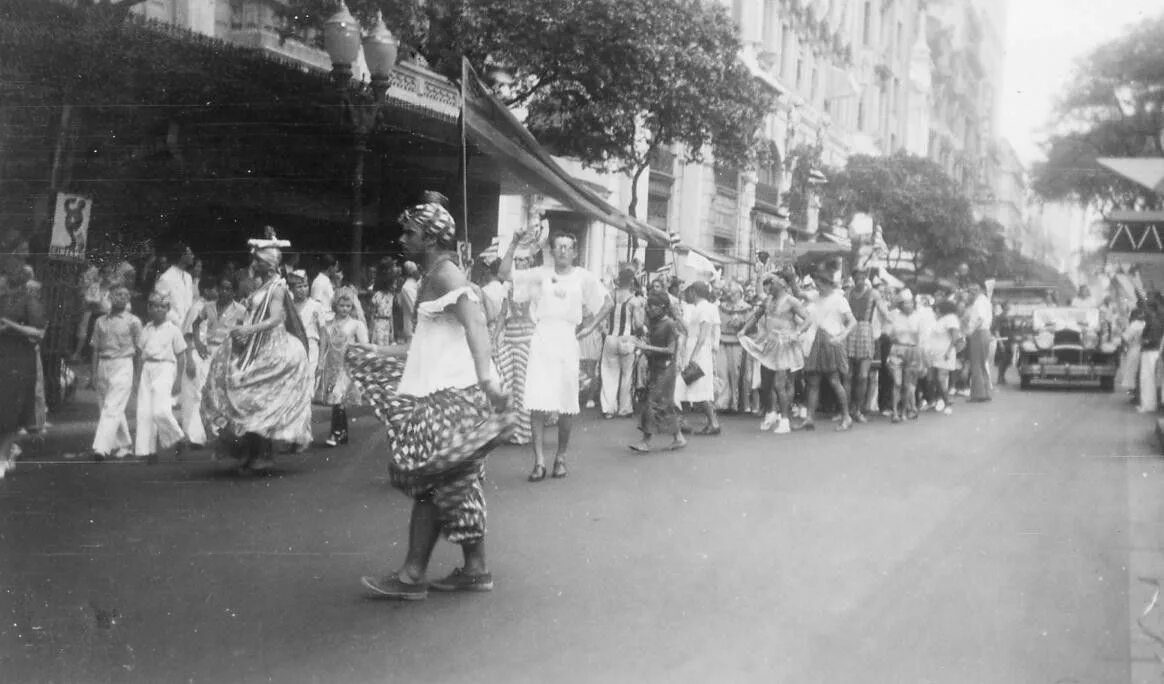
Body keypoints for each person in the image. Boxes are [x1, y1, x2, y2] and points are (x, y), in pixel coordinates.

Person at [352, 196, 511, 600]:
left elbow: (475, 323)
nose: (403, 238)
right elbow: (421, 344)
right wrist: (377, 353)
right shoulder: (432, 275)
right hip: (443, 394)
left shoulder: (447, 275)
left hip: (453, 397)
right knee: (448, 484)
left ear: (433, 237)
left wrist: (486, 378)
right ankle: (471, 569)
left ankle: (412, 576)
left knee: (438, 484)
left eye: (411, 232)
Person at [499, 229, 612, 481]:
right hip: (542, 339)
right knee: (537, 401)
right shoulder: (542, 275)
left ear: (574, 252)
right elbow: (504, 274)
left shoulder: (583, 277)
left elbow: (607, 303)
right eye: (558, 246)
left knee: (566, 403)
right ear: (551, 251)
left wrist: (590, 328)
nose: (562, 250)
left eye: (567, 247)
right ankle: (539, 462)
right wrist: (514, 243)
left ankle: (560, 457)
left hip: (567, 340)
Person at [202, 231, 312, 474]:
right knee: (245, 394)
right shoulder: (260, 285)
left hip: (271, 345)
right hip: (253, 344)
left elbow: (274, 319)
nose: (254, 264)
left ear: (270, 263)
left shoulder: (277, 287)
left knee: (256, 397)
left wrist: (248, 329)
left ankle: (261, 454)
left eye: (259, 261)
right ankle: (250, 451)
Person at [741, 273, 808, 434]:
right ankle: (771, 413)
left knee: (781, 384)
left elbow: (808, 319)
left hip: (785, 345)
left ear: (783, 285)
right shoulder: (768, 300)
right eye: (768, 283)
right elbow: (756, 316)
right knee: (766, 383)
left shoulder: (792, 301)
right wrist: (743, 329)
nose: (769, 286)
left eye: (773, 283)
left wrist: (796, 333)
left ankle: (784, 420)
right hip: (769, 344)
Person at [188, 276, 247, 452]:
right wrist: (198, 344)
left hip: (228, 354)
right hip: (209, 352)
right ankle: (200, 434)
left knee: (224, 392)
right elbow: (195, 324)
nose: (224, 291)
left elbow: (243, 334)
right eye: (222, 287)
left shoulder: (241, 310)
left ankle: (222, 430)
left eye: (228, 289)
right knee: (205, 390)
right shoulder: (209, 307)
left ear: (234, 292)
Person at [0, 266, 46, 478]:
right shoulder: (3, 300)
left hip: (18, 360)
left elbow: (37, 333)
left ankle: (4, 455)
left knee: (11, 408)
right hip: (4, 356)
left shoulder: (29, 302)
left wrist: (10, 325)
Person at [88, 283, 141, 460]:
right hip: (104, 364)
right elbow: (94, 348)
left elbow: (139, 350)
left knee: (112, 407)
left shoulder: (134, 321)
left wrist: (138, 376)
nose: (122, 298)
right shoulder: (100, 321)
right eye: (118, 294)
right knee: (107, 406)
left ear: (129, 299)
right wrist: (93, 373)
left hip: (124, 364)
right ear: (110, 297)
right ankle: (125, 444)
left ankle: (101, 448)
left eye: (125, 295)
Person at [798, 271, 857, 431]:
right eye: (816, 285)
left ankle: (846, 417)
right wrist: (791, 277)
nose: (818, 288)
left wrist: (842, 336)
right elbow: (801, 297)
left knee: (834, 381)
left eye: (820, 285)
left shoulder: (839, 299)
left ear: (828, 284)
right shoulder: (817, 297)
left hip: (831, 340)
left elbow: (852, 322)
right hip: (817, 340)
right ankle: (809, 418)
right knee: (813, 382)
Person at [628, 291, 685, 453]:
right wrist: (644, 344)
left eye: (654, 306)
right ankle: (678, 437)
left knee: (651, 403)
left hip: (666, 369)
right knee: (665, 405)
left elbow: (670, 349)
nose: (650, 309)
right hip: (655, 367)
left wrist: (647, 347)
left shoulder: (670, 324)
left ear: (663, 307)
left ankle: (646, 441)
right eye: (649, 305)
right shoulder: (653, 323)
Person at [134, 292, 187, 464]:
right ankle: (148, 451)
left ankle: (177, 437)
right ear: (149, 308)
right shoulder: (146, 329)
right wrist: (137, 376)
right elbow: (140, 353)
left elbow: (181, 355)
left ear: (167, 309)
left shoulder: (173, 329)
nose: (158, 309)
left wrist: (179, 379)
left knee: (160, 410)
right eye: (154, 306)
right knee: (144, 411)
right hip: (148, 367)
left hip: (165, 367)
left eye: (162, 306)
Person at [495, 249, 537, 445]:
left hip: (528, 337)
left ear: (530, 262)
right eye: (517, 260)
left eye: (523, 260)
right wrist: (495, 337)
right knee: (508, 384)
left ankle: (524, 432)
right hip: (510, 337)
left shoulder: (535, 282)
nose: (520, 263)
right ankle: (511, 430)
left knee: (523, 386)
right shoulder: (508, 284)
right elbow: (503, 313)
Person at [316, 291, 368, 446]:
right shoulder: (329, 324)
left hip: (346, 366)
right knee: (334, 398)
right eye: (341, 305)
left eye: (348, 306)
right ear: (335, 305)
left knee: (338, 396)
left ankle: (336, 433)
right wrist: (320, 363)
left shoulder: (356, 324)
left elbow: (364, 344)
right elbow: (323, 344)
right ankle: (341, 432)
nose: (345, 309)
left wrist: (358, 357)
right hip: (332, 365)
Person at [675, 281, 722, 435]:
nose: (687, 295)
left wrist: (693, 357)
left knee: (699, 389)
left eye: (688, 292)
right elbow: (691, 331)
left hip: (699, 353)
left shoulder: (706, 308)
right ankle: (686, 422)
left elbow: (702, 336)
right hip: (693, 350)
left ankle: (713, 423)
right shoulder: (700, 308)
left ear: (694, 292)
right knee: (690, 388)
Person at [844, 268, 889, 423]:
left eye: (862, 277)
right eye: (857, 276)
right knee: (848, 376)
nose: (860, 279)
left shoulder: (873, 294)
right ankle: (847, 410)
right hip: (850, 332)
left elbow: (884, 312)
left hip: (865, 331)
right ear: (853, 278)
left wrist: (884, 329)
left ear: (865, 278)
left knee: (863, 376)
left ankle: (858, 409)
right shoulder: (847, 294)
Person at [600, 268, 644, 418]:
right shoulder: (634, 301)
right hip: (626, 339)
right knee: (627, 375)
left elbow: (603, 318)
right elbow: (638, 324)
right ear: (632, 281)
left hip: (611, 338)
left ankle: (608, 409)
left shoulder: (610, 296)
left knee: (609, 373)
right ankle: (624, 409)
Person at [886, 290, 927, 422]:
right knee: (897, 383)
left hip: (913, 350)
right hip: (897, 349)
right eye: (905, 303)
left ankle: (904, 411)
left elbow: (922, 338)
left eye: (910, 303)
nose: (908, 305)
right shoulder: (895, 316)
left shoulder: (919, 317)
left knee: (907, 384)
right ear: (901, 305)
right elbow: (889, 334)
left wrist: (923, 357)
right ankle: (895, 412)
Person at [715, 281, 754, 414]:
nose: (730, 294)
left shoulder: (747, 308)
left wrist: (742, 324)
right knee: (722, 372)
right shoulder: (721, 307)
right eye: (728, 292)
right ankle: (723, 403)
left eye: (732, 292)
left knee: (735, 373)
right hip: (722, 341)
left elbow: (752, 325)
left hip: (737, 342)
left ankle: (736, 403)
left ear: (739, 293)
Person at [925, 298, 963, 415]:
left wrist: (948, 351)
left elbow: (955, 337)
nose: (936, 310)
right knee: (934, 379)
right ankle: (938, 401)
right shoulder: (941, 319)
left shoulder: (951, 319)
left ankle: (946, 403)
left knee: (941, 379)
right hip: (935, 354)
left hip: (945, 353)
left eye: (938, 308)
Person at [966, 282, 993, 402]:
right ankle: (985, 392)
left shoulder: (980, 302)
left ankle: (978, 394)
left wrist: (971, 330)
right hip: (984, 332)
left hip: (979, 333)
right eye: (971, 289)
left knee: (976, 364)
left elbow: (980, 319)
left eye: (975, 289)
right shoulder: (984, 300)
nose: (972, 292)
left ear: (980, 289)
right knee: (982, 364)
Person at [369, 266, 397, 347]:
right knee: (379, 345)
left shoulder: (391, 296)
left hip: (387, 323)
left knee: (387, 346)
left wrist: (392, 328)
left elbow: (390, 313)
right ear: (387, 283)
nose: (395, 286)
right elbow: (372, 313)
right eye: (393, 284)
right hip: (378, 323)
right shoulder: (377, 295)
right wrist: (371, 329)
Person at [397, 260, 420, 343]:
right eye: (416, 270)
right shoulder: (407, 287)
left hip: (418, 328)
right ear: (412, 273)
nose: (418, 273)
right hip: (412, 328)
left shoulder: (416, 284)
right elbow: (414, 308)